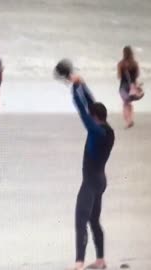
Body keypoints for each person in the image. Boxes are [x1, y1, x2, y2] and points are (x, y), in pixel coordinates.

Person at [54, 59, 115, 270]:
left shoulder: (96, 132)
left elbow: (83, 111)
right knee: (94, 221)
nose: (90, 116)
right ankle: (100, 260)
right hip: (100, 181)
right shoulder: (107, 129)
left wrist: (74, 89)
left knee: (81, 219)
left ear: (96, 118)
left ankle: (79, 263)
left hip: (90, 182)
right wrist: (82, 83)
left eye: (92, 116)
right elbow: (91, 105)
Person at [117, 46, 140, 128]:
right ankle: (130, 119)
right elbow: (137, 75)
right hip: (132, 87)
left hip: (123, 86)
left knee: (125, 104)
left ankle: (128, 121)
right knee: (129, 103)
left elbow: (119, 76)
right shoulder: (135, 63)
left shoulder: (120, 64)